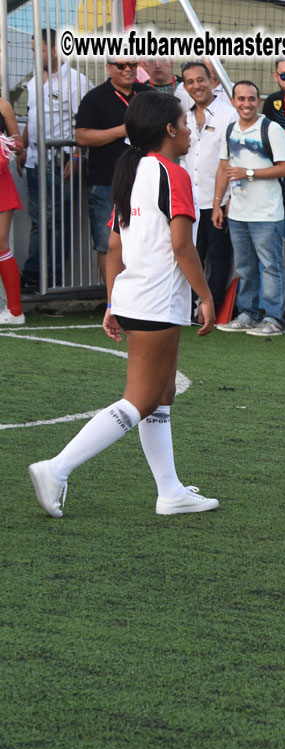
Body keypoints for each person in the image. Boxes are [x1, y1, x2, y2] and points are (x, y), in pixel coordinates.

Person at [29, 92, 218, 518]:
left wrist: (114, 301)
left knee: (161, 394)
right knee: (141, 398)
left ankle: (170, 491)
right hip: (155, 300)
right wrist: (205, 296)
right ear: (169, 129)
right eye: (185, 122)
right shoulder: (172, 174)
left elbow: (114, 247)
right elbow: (182, 246)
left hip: (135, 297)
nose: (190, 129)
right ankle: (56, 468)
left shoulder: (131, 170)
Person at [212, 81, 285, 336]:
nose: (246, 103)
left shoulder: (271, 129)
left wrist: (249, 173)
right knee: (244, 267)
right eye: (241, 99)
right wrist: (217, 204)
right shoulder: (229, 130)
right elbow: (223, 169)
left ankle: (273, 318)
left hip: (267, 212)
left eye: (251, 99)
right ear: (233, 102)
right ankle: (247, 313)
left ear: (258, 101)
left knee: (271, 266)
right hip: (237, 212)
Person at [20, 29, 89, 292]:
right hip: (36, 160)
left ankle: (52, 278)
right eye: (35, 50)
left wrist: (76, 155)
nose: (36, 55)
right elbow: (32, 114)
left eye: (40, 50)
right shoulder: (35, 78)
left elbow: (83, 123)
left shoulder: (76, 81)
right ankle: (34, 274)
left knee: (57, 220)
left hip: (60, 161)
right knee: (39, 219)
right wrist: (23, 148)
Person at [76, 58, 153, 282]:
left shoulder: (147, 94)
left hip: (144, 181)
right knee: (107, 242)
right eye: (121, 65)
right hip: (105, 182)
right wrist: (121, 131)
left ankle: (139, 298)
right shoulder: (95, 97)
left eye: (132, 64)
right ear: (108, 68)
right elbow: (82, 137)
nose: (128, 70)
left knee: (145, 242)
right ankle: (113, 300)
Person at [178, 61, 235, 310]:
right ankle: (188, 306)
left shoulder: (228, 114)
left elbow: (235, 158)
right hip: (190, 200)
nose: (196, 86)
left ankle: (212, 308)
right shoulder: (184, 116)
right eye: (189, 82)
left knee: (219, 257)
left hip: (218, 200)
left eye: (200, 80)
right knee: (192, 256)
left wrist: (228, 199)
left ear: (212, 81)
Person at [0, 98, 24, 325]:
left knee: (1, 246)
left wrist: (7, 144)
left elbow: (18, 143)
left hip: (1, 183)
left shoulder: (2, 105)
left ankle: (15, 310)